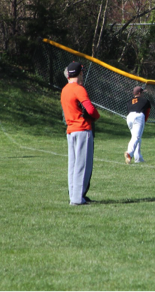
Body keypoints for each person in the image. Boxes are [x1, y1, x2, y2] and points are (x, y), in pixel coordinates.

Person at [61, 61, 100, 206]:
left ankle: (74, 195)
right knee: (82, 165)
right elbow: (90, 110)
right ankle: (78, 199)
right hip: (82, 129)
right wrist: (97, 116)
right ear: (80, 73)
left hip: (70, 130)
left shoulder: (65, 89)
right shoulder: (79, 89)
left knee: (73, 165)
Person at [125, 86, 151, 164]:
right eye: (142, 92)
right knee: (136, 137)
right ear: (139, 93)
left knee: (136, 137)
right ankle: (129, 153)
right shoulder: (145, 100)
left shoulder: (129, 101)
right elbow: (147, 113)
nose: (143, 94)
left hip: (129, 117)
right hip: (139, 116)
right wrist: (143, 122)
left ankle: (138, 158)